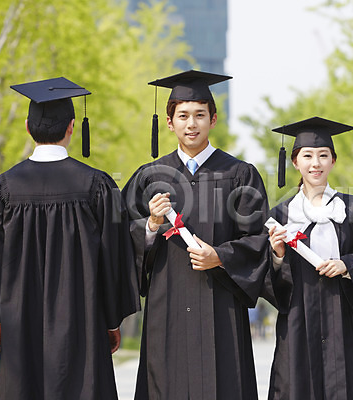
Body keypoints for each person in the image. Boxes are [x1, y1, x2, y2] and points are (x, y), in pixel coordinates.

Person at [0, 77, 139, 400]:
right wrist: (111, 319)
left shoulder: (4, 188)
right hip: (83, 326)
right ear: (72, 127)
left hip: (21, 324)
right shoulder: (98, 186)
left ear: (28, 129)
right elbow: (114, 258)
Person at [122, 70, 269, 400]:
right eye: (183, 115)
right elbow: (120, 243)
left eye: (200, 115)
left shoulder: (240, 174)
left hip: (221, 307)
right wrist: (151, 225)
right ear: (170, 122)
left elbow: (258, 239)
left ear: (213, 119)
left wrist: (220, 256)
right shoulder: (148, 177)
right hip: (166, 307)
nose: (192, 124)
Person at [264, 117, 353, 399]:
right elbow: (267, 281)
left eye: (323, 155)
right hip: (298, 321)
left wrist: (348, 265)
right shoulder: (280, 217)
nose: (315, 163)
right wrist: (278, 255)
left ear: (333, 161)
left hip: (347, 321)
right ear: (295, 162)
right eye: (307, 155)